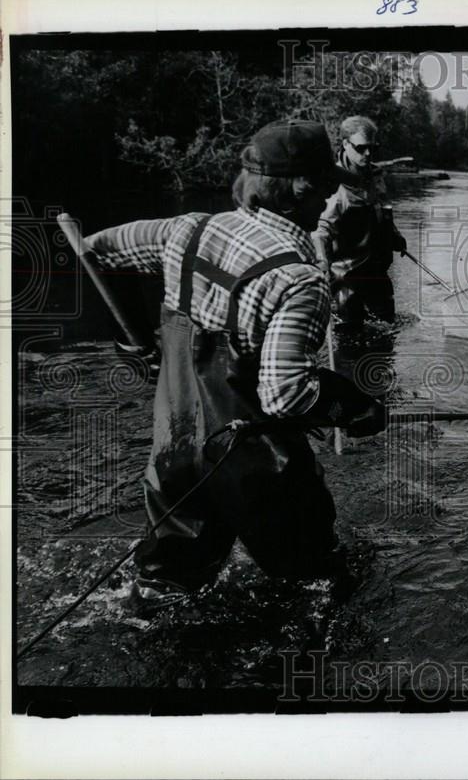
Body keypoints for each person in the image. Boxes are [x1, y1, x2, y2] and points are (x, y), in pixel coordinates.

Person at [85, 119, 385, 613]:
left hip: (173, 456)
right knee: (319, 592)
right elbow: (283, 395)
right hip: (256, 472)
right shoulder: (299, 278)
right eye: (327, 184)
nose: (332, 195)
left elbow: (93, 251)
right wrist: (355, 408)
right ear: (304, 187)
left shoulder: (187, 228)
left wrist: (132, 340)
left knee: (163, 601)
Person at [312, 115, 407, 328]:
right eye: (361, 147)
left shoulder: (376, 175)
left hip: (378, 275)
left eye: (373, 148)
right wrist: (321, 263)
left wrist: (395, 236)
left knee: (386, 340)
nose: (368, 153)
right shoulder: (333, 183)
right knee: (350, 342)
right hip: (347, 279)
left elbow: (383, 211)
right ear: (345, 144)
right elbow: (320, 231)